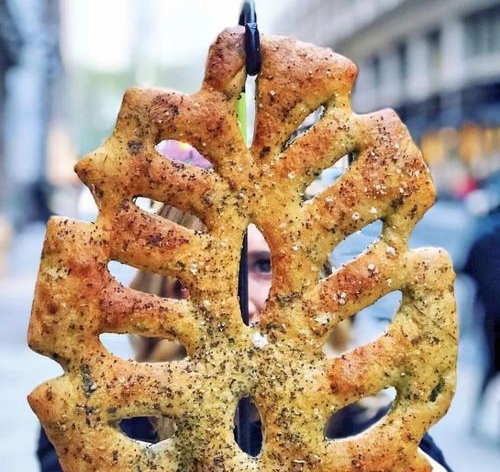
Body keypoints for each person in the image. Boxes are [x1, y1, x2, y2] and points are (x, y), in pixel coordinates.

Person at [37, 200, 452, 471]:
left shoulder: (372, 426)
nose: (238, 301)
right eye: (193, 275)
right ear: (160, 293)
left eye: (265, 267)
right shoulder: (105, 426)